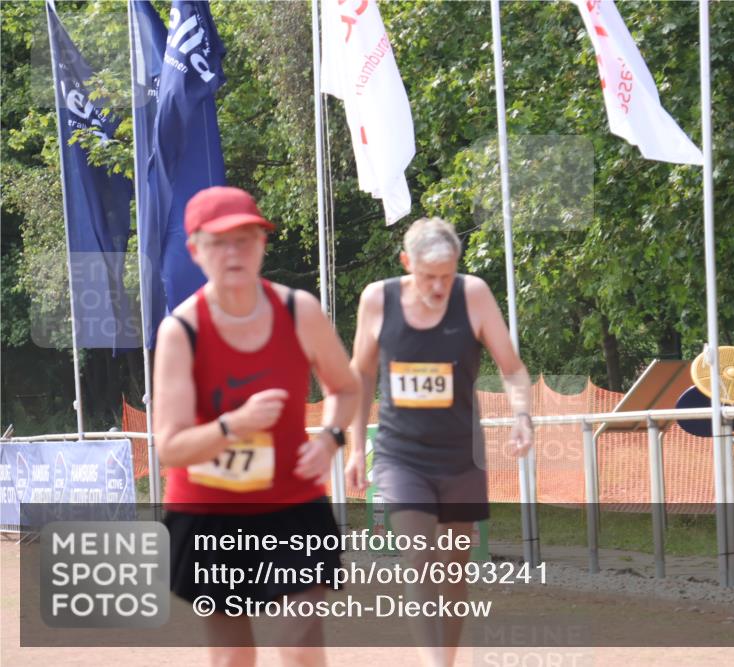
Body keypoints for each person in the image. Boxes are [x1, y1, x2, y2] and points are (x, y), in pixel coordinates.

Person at [153, 186, 359, 667]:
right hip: (210, 510)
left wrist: (330, 440)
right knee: (232, 657)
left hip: (291, 501)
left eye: (246, 238)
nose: (234, 252)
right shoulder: (181, 331)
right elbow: (170, 448)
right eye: (220, 241)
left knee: (299, 642)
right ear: (195, 250)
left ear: (264, 245)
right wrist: (234, 425)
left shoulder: (299, 311)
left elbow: (345, 389)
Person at [345, 217, 533, 667]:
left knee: (453, 568)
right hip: (399, 454)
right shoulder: (378, 299)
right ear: (406, 263)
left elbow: (511, 367)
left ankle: (445, 659)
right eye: (429, 277)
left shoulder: (474, 295)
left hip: (460, 455)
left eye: (446, 277)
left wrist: (522, 415)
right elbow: (361, 374)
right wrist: (355, 446)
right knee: (419, 557)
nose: (437, 287)